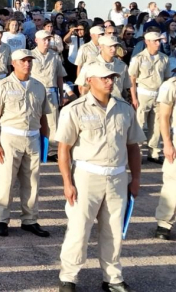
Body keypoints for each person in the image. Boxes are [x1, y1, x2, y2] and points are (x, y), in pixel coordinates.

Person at [56, 63, 143, 292]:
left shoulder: (124, 109)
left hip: (116, 177)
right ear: (89, 80)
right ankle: (69, 277)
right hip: (86, 176)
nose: (110, 81)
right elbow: (63, 149)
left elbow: (133, 147)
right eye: (104, 77)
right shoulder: (74, 109)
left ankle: (112, 278)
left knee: (114, 230)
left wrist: (135, 179)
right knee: (78, 229)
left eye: (112, 77)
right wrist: (67, 182)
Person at [0, 48, 52, 238]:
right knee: (6, 181)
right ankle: (2, 219)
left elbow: (44, 116)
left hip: (32, 138)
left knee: (32, 182)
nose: (27, 64)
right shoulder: (3, 86)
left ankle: (30, 219)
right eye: (22, 61)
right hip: (10, 139)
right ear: (13, 63)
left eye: (29, 60)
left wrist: (44, 140)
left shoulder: (39, 86)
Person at [129, 31, 169, 163]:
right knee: (140, 123)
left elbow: (167, 78)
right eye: (155, 41)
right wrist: (134, 98)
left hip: (159, 94)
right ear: (147, 42)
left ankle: (155, 152)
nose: (158, 43)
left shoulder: (164, 58)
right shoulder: (138, 58)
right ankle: (138, 152)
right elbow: (132, 79)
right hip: (143, 94)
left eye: (159, 40)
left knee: (157, 124)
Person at [30, 30, 67, 161]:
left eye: (48, 40)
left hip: (51, 92)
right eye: (44, 39)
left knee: (53, 123)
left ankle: (52, 150)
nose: (47, 42)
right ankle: (34, 148)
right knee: (33, 120)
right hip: (35, 92)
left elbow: (59, 76)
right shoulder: (30, 55)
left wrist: (61, 95)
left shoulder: (55, 56)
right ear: (36, 41)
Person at [156, 72, 176, 241]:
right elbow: (164, 116)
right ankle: (164, 223)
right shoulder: (171, 85)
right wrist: (167, 143)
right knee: (172, 183)